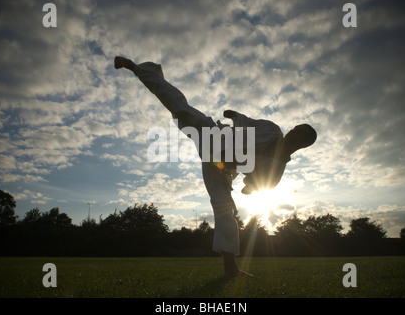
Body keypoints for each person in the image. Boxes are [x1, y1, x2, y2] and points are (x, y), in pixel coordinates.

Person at [114, 56, 317, 278]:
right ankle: (137, 68)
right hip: (215, 137)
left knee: (225, 212)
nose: (292, 133)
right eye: (295, 129)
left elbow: (256, 185)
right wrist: (236, 116)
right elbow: (249, 122)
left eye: (298, 135)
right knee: (181, 108)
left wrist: (249, 187)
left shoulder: (277, 170)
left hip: (220, 169)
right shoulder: (273, 130)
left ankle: (230, 269)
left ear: (302, 145)